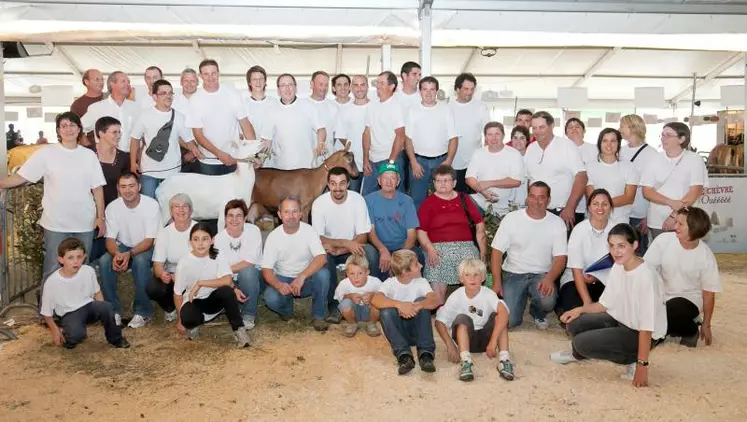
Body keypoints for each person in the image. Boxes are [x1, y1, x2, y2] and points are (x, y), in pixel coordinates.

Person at [551, 223, 667, 388]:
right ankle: (582, 353)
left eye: (621, 246)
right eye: (612, 246)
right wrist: (579, 310)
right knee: (574, 324)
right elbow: (605, 304)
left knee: (581, 343)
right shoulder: (618, 266)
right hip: (621, 320)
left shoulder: (646, 276)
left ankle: (633, 360)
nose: (616, 251)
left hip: (641, 333)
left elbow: (647, 327)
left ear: (634, 245)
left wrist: (643, 366)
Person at [1, 112, 106, 281]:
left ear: (79, 129)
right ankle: (48, 308)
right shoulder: (46, 153)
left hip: (84, 222)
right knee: (52, 269)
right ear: (58, 131)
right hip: (55, 222)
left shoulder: (89, 156)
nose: (68, 129)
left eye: (72, 125)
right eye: (63, 126)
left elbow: (98, 189)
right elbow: (22, 177)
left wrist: (100, 217)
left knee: (81, 271)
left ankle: (77, 307)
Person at [490, 181, 567, 329]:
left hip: (541, 274)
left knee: (548, 301)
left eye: (541, 197)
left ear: (548, 200)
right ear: (527, 198)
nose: (536, 201)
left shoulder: (557, 223)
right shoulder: (512, 219)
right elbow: (497, 251)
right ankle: (518, 301)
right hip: (514, 273)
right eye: (532, 196)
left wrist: (550, 279)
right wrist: (497, 281)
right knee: (509, 322)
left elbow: (560, 258)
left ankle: (537, 311)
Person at [644, 206, 720, 347]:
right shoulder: (663, 240)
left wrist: (707, 325)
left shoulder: (706, 256)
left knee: (673, 308)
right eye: (676, 222)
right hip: (662, 296)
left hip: (690, 301)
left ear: (693, 228)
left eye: (680, 224)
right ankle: (686, 329)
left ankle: (681, 331)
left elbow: (709, 294)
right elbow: (645, 270)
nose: (675, 226)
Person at [312, 167, 377, 323]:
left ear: (348, 183)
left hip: (352, 248)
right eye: (333, 184)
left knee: (371, 253)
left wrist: (344, 247)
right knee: (323, 257)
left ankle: (373, 298)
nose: (338, 188)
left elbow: (363, 235)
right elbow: (318, 237)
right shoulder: (319, 203)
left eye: (342, 183)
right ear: (328, 184)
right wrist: (344, 243)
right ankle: (334, 306)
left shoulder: (358, 200)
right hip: (331, 248)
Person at [40, 238, 130, 349]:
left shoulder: (88, 271)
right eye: (70, 258)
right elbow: (46, 312)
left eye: (79, 257)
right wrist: (54, 330)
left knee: (107, 307)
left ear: (84, 257)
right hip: (70, 312)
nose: (76, 261)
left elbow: (97, 292)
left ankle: (116, 338)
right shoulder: (52, 282)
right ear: (61, 259)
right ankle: (68, 334)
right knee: (76, 336)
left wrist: (103, 311)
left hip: (88, 306)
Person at [174, 223, 252, 348]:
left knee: (227, 291)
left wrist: (200, 283)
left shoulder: (218, 255)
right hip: (194, 301)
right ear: (190, 242)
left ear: (212, 240)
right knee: (188, 318)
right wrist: (180, 320)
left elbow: (227, 280)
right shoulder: (184, 263)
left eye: (205, 239)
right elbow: (177, 294)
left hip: (213, 300)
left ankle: (240, 331)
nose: (200, 243)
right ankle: (194, 326)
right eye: (196, 239)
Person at [435, 258, 514, 382]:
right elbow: (439, 321)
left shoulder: (488, 294)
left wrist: (493, 342)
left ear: (483, 277)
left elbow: (503, 313)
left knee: (500, 315)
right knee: (462, 319)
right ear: (461, 278)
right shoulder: (456, 296)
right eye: (467, 275)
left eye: (476, 275)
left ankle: (504, 360)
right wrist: (450, 345)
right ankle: (466, 361)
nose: (472, 279)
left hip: (487, 341)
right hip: (465, 341)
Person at [417, 165, 486, 305]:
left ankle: (471, 305)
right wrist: (429, 249)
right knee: (437, 298)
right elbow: (421, 232)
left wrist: (483, 251)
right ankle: (439, 303)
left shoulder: (464, 198)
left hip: (465, 246)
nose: (442, 184)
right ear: (434, 183)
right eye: (438, 180)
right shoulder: (428, 203)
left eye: (446, 180)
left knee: (471, 265)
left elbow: (479, 224)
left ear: (454, 183)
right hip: (437, 247)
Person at [99, 172, 160, 328]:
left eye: (132, 186)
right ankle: (113, 311)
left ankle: (143, 312)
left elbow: (149, 240)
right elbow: (110, 240)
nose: (128, 190)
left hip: (147, 246)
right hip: (124, 245)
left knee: (140, 261)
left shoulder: (151, 204)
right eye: (123, 187)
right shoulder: (113, 207)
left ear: (139, 187)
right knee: (105, 261)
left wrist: (129, 254)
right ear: (118, 188)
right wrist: (117, 254)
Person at [261, 197, 331, 331]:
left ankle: (319, 316)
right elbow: (266, 270)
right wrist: (278, 284)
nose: (291, 216)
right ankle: (287, 313)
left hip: (306, 280)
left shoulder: (309, 231)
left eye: (294, 211)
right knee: (270, 298)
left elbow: (322, 258)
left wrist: (302, 277)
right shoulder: (273, 237)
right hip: (283, 278)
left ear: (301, 214)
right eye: (286, 212)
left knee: (323, 274)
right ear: (280, 215)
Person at [371, 249, 440, 375]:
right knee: (386, 310)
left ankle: (426, 353)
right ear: (405, 272)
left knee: (422, 300)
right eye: (416, 264)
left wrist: (417, 306)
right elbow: (375, 299)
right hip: (399, 333)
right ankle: (404, 355)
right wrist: (400, 305)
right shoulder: (390, 283)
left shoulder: (421, 282)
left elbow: (435, 300)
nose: (421, 265)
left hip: (417, 330)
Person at [129, 79, 198, 199]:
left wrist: (200, 152)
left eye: (170, 93)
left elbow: (189, 141)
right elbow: (134, 139)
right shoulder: (145, 115)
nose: (168, 96)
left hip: (173, 172)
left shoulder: (180, 117)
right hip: (149, 171)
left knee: (172, 208)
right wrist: (132, 163)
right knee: (149, 205)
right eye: (163, 93)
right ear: (154, 96)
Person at [187, 59, 257, 175]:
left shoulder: (233, 93)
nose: (210, 77)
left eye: (213, 73)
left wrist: (255, 154)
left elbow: (245, 125)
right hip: (209, 161)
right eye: (206, 74)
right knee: (210, 193)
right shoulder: (195, 99)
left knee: (236, 193)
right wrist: (219, 154)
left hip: (234, 158)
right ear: (200, 76)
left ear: (218, 73)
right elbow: (198, 134)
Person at [641, 122, 708, 240]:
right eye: (662, 135)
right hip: (657, 221)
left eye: (668, 135)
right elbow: (647, 191)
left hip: (686, 220)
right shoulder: (655, 159)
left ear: (681, 139)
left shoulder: (694, 159)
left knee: (685, 255)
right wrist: (671, 202)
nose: (663, 139)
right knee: (661, 255)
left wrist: (674, 216)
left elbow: (695, 192)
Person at [524, 111, 587, 230]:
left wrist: (570, 207)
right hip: (539, 213)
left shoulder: (567, 146)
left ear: (552, 126)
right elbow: (530, 180)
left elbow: (582, 177)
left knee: (563, 248)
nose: (538, 131)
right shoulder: (531, 148)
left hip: (564, 213)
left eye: (542, 127)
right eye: (534, 128)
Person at [557, 189, 615, 315]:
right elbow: (576, 270)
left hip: (604, 281)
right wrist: (587, 303)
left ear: (611, 207)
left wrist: (598, 277)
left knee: (611, 313)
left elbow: (619, 265)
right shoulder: (579, 230)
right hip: (575, 280)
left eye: (605, 204)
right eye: (595, 204)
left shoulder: (616, 230)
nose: (600, 208)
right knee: (577, 313)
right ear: (589, 207)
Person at [405, 76, 458, 208]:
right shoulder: (412, 110)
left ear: (437, 91)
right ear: (420, 91)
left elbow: (453, 138)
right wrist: (413, 162)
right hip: (418, 163)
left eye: (432, 89)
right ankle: (419, 228)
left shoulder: (446, 109)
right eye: (425, 89)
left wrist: (448, 161)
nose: (428, 93)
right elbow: (408, 139)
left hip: (442, 161)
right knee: (417, 200)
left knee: (443, 198)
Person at [365, 161, 421, 281]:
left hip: (402, 246)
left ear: (398, 182)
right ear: (379, 180)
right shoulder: (369, 200)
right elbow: (371, 231)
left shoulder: (407, 201)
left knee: (419, 256)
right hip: (379, 247)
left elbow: (412, 235)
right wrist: (382, 249)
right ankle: (377, 289)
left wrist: (398, 256)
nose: (389, 181)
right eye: (385, 177)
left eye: (393, 178)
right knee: (373, 257)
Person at [146, 193, 197, 324]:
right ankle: (170, 309)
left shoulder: (199, 229)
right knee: (153, 287)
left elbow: (207, 261)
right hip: (172, 275)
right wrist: (162, 274)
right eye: (176, 207)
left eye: (185, 206)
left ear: (191, 211)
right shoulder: (164, 233)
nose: (181, 210)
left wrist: (183, 275)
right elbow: (157, 265)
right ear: (170, 211)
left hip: (195, 275)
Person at [214, 199, 264, 330]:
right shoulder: (219, 239)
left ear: (245, 217)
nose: (234, 219)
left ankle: (249, 314)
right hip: (230, 279)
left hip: (254, 277)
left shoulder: (253, 231)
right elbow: (218, 266)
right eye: (230, 215)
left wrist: (226, 269)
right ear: (225, 218)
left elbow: (250, 262)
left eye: (239, 215)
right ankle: (235, 305)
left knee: (247, 272)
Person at [260, 73, 326, 170]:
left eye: (290, 85)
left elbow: (321, 129)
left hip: (306, 167)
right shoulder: (271, 110)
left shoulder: (308, 106)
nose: (287, 88)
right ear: (278, 90)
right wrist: (259, 160)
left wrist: (320, 144)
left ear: (295, 88)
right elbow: (267, 141)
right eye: (283, 85)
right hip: (281, 168)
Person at [361, 71, 406, 195]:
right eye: (377, 83)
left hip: (391, 159)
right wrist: (365, 159)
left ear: (391, 87)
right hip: (372, 161)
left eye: (381, 83)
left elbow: (400, 135)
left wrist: (391, 162)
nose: (378, 86)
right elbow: (366, 133)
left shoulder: (396, 107)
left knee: (395, 196)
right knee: (367, 196)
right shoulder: (371, 105)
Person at [466, 121, 524, 216]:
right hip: (481, 204)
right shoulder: (478, 153)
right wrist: (482, 191)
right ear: (485, 137)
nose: (494, 138)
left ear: (503, 135)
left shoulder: (514, 154)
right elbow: (469, 178)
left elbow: (516, 181)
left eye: (497, 134)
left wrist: (489, 183)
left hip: (507, 209)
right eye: (490, 134)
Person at [619, 114, 658, 255]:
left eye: (622, 126)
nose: (619, 129)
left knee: (639, 252)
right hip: (621, 211)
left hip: (640, 212)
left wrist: (647, 215)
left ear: (633, 127)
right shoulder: (620, 151)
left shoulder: (652, 154)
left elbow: (655, 187)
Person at [449, 73, 491, 194]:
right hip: (454, 162)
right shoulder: (448, 107)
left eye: (472, 89)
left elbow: (488, 133)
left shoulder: (481, 107)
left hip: (475, 161)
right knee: (456, 196)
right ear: (457, 89)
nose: (469, 92)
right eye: (466, 89)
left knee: (474, 199)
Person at [586, 128, 638, 224]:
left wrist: (602, 204)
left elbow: (629, 197)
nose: (609, 144)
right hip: (595, 221)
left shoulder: (629, 166)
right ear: (599, 144)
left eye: (613, 141)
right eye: (605, 141)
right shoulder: (589, 166)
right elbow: (591, 197)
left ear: (618, 144)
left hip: (620, 222)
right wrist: (604, 205)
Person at [81, 71, 141, 152]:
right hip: (105, 159)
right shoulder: (96, 108)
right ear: (112, 84)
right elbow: (79, 128)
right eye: (123, 81)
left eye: (128, 82)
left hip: (131, 158)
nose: (128, 84)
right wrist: (90, 148)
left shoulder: (137, 108)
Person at [333, 254, 382, 337]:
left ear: (367, 272)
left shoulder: (375, 282)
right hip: (354, 312)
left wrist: (373, 295)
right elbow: (339, 299)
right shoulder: (344, 284)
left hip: (369, 311)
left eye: (360, 273)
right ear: (347, 274)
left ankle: (372, 323)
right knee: (345, 303)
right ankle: (352, 324)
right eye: (352, 273)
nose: (356, 277)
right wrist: (350, 296)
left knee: (378, 301)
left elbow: (384, 296)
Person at [335, 75, 370, 192]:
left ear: (367, 86)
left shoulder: (375, 107)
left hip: (373, 163)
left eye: (362, 85)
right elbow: (341, 135)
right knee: (352, 198)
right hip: (352, 166)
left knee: (370, 200)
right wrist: (353, 149)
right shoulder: (345, 111)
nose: (359, 88)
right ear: (351, 88)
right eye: (356, 85)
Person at [565, 117, 597, 218]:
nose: (574, 129)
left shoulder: (595, 149)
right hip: (567, 203)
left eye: (577, 127)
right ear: (566, 133)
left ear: (584, 131)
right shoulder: (562, 150)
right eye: (570, 127)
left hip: (590, 202)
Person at [244, 65, 274, 167]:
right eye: (254, 79)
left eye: (261, 79)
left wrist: (261, 157)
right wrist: (255, 158)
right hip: (250, 159)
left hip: (273, 160)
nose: (258, 82)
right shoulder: (243, 105)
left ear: (265, 81)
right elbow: (241, 134)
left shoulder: (275, 103)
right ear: (249, 82)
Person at [173, 68, 202, 173]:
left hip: (203, 149)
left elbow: (210, 128)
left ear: (197, 82)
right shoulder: (173, 103)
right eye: (186, 80)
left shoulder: (204, 101)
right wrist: (190, 149)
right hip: (180, 151)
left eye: (192, 81)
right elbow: (172, 130)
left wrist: (196, 150)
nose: (189, 84)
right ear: (181, 82)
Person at [308, 70, 340, 155]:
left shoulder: (334, 107)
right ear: (312, 84)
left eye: (326, 85)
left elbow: (337, 134)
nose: (323, 88)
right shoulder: (303, 105)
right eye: (321, 84)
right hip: (305, 159)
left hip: (327, 159)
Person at [509, 125, 531, 207]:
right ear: (511, 140)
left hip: (526, 202)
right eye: (515, 138)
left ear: (527, 140)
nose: (518, 141)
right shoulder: (506, 157)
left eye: (522, 138)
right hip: (508, 202)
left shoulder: (531, 158)